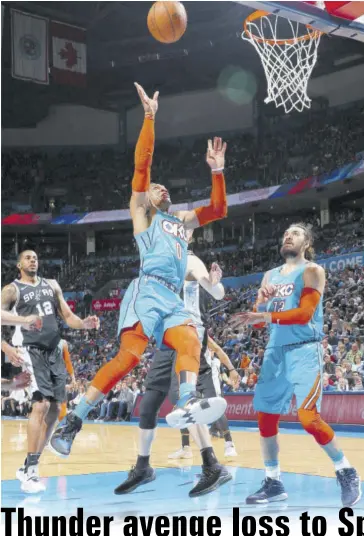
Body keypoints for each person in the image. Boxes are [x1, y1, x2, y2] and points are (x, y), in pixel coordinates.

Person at [50, 83, 228, 457]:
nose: (160, 187)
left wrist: (218, 171)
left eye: (164, 186)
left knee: (192, 338)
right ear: (146, 196)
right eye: (154, 187)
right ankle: (75, 419)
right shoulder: (141, 213)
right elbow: (143, 166)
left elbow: (218, 210)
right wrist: (149, 118)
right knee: (127, 359)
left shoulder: (182, 219)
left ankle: (188, 399)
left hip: (172, 297)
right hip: (146, 291)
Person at [230, 223, 361, 507]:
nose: (288, 235)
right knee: (265, 417)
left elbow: (304, 314)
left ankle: (346, 470)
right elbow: (262, 316)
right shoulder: (269, 275)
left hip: (304, 349)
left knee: (308, 418)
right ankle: (273, 481)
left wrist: (264, 317)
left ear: (307, 243)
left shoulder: (313, 271)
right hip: (275, 349)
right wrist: (261, 305)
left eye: (296, 233)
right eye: (286, 232)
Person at [115, 250, 240, 497]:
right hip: (166, 337)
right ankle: (142, 468)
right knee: (149, 402)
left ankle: (212, 465)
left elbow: (217, 292)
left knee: (181, 398)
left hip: (187, 331)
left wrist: (215, 284)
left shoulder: (190, 260)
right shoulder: (157, 265)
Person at [1, 250, 99, 493]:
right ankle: (31, 469)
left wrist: (83, 323)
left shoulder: (52, 285)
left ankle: (28, 466)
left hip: (54, 349)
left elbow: (67, 315)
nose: (33, 260)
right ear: (19, 264)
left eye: (35, 257)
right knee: (41, 404)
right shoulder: (12, 289)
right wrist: (10, 340)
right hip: (31, 350)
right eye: (27, 258)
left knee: (56, 408)